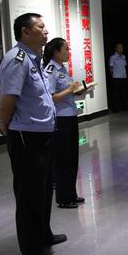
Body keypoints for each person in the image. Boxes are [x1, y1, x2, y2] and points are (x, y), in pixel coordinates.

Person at [0, 13, 66, 255]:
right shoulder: (17, 59)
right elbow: (8, 100)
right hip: (27, 137)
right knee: (29, 196)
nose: (46, 31)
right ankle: (33, 253)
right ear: (26, 32)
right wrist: (4, 124)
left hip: (43, 134)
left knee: (44, 190)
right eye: (41, 27)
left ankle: (44, 235)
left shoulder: (34, 59)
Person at [43, 38, 86, 209]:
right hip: (61, 118)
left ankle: (71, 193)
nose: (68, 52)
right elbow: (51, 97)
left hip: (70, 115)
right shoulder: (51, 70)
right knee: (63, 159)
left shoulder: (62, 68)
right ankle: (63, 197)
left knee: (72, 157)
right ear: (56, 52)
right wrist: (69, 89)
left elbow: (66, 92)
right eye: (65, 49)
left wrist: (77, 91)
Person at [108, 43, 128, 112]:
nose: (121, 49)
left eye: (121, 48)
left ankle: (125, 106)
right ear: (116, 49)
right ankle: (115, 108)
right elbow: (111, 67)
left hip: (124, 77)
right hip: (116, 78)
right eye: (119, 48)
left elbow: (125, 66)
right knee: (116, 94)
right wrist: (112, 75)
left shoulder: (123, 57)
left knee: (124, 93)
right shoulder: (113, 57)